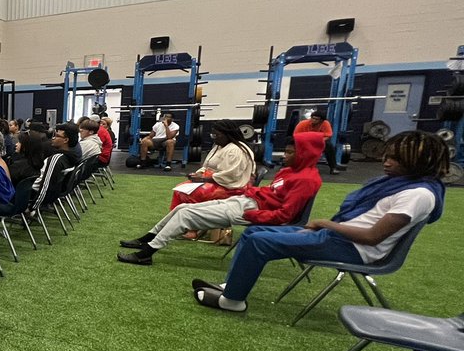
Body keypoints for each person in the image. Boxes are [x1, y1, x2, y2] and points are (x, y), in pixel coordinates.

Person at [192, 131, 449, 313]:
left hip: (354, 248)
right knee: (254, 233)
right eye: (387, 156)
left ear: (418, 162)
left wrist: (326, 224)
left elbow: (372, 237)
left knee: (260, 241)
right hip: (340, 239)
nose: (386, 162)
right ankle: (231, 286)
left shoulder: (418, 194)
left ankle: (232, 301)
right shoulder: (400, 185)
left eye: (396, 159)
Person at [117, 133, 324, 265]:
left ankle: (147, 253)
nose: (284, 156)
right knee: (182, 208)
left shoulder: (306, 180)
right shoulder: (290, 171)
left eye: (289, 152)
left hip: (251, 209)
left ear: (305, 153)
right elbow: (271, 194)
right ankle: (148, 238)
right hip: (246, 200)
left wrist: (253, 215)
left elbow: (285, 215)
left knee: (186, 215)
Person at [169, 119, 255, 209]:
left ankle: (193, 215)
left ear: (227, 134)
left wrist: (203, 179)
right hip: (215, 181)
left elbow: (230, 176)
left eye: (216, 135)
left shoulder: (236, 150)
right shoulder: (219, 146)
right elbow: (207, 165)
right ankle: (179, 216)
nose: (213, 138)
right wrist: (199, 173)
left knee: (186, 194)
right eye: (212, 135)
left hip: (231, 188)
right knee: (179, 188)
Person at [294, 107, 341, 174]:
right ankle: (297, 166)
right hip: (304, 142)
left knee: (329, 146)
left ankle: (333, 168)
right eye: (313, 118)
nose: (314, 120)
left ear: (321, 120)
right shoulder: (302, 124)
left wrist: (318, 141)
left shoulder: (325, 123)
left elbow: (328, 135)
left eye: (316, 119)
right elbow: (296, 135)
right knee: (292, 143)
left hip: (318, 142)